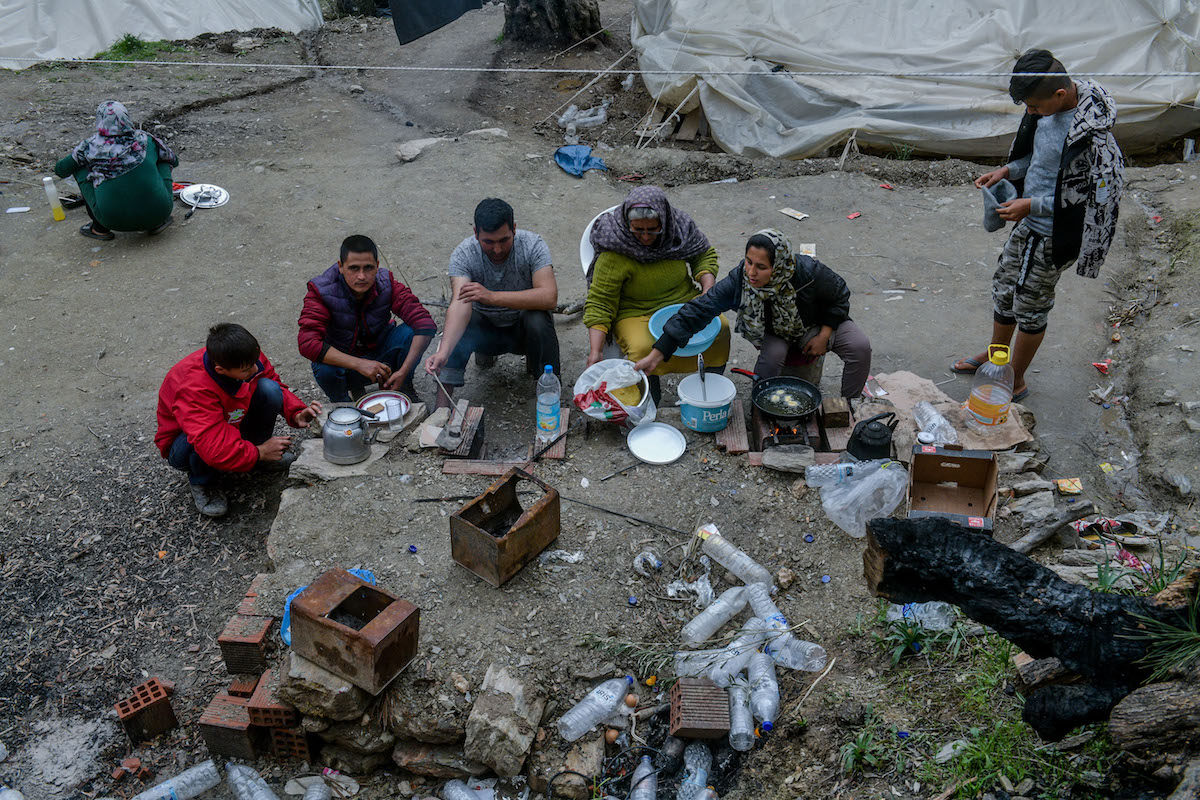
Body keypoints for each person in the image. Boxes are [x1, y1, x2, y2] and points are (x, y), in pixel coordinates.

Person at [953, 49, 1124, 400]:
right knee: (1004, 287)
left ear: (1060, 94)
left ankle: (1015, 378)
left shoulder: (1094, 136)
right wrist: (1009, 170)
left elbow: (1089, 198)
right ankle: (996, 357)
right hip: (1029, 226)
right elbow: (1039, 158)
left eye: (1033, 106)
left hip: (1053, 236)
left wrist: (1032, 204)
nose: (1029, 113)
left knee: (1031, 305)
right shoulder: (1049, 111)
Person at [635, 229, 872, 399]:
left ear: (779, 265)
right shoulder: (740, 281)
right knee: (771, 359)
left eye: (761, 267)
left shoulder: (808, 272)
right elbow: (698, 310)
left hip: (816, 323)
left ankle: (849, 405)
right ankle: (763, 409)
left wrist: (824, 335)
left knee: (859, 346)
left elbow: (840, 295)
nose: (751, 272)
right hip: (777, 331)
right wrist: (658, 353)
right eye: (748, 262)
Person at [156, 324, 322, 518]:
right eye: (245, 370)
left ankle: (251, 459)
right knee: (198, 440)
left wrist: (296, 412)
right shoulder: (193, 388)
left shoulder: (244, 357)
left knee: (268, 389)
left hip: (230, 421)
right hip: (184, 445)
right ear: (220, 370)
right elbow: (211, 444)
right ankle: (203, 481)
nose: (254, 369)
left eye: (255, 361)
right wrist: (259, 452)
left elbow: (273, 383)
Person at [582, 186, 731, 400]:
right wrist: (596, 351)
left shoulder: (677, 232)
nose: (644, 237)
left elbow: (703, 254)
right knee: (642, 347)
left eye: (652, 230)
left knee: (720, 329)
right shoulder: (615, 248)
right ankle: (651, 400)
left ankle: (708, 393)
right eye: (637, 229)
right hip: (635, 312)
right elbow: (600, 301)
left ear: (665, 222)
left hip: (683, 301)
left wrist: (707, 291)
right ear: (627, 224)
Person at [425, 198, 560, 406]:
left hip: (523, 332)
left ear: (514, 229)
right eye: (488, 242)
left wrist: (491, 296)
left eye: (504, 240)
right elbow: (459, 306)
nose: (497, 250)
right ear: (476, 233)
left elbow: (549, 297)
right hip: (484, 332)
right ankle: (441, 409)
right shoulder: (464, 253)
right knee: (463, 319)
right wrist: (443, 351)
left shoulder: (533, 245)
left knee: (538, 318)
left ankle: (551, 397)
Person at [299, 234, 436, 402]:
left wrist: (404, 371)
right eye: (354, 268)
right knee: (323, 367)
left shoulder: (387, 283)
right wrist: (360, 364)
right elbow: (307, 343)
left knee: (409, 332)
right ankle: (342, 405)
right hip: (345, 364)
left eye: (368, 268)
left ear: (377, 266)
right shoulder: (321, 291)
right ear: (341, 266)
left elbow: (425, 324)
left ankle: (402, 386)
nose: (362, 276)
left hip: (381, 354)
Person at [54, 100, 178, 241]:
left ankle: (99, 228)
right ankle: (156, 223)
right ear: (126, 118)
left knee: (79, 167)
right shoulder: (146, 140)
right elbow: (175, 161)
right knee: (163, 159)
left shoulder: (89, 147)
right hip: (160, 212)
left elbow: (61, 170)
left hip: (111, 220)